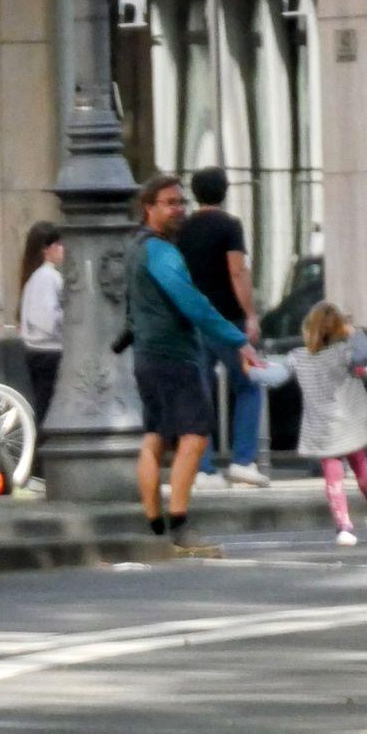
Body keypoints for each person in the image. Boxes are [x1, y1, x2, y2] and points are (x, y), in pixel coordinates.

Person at [125, 173, 258, 540]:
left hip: (147, 353)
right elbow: (192, 302)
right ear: (148, 207)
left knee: (155, 436)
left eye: (181, 202)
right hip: (172, 353)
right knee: (195, 435)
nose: (178, 209)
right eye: (169, 203)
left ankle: (155, 522)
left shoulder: (137, 245)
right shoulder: (161, 251)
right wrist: (237, 338)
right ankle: (180, 522)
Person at [177, 166, 267, 487]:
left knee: (199, 394)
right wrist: (251, 314)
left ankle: (202, 468)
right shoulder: (229, 226)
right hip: (228, 319)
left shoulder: (183, 229)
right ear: (225, 191)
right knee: (248, 385)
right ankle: (242, 461)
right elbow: (237, 272)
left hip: (191, 319)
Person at [282, 303, 367, 546]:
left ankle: (343, 524)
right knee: (363, 470)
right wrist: (353, 331)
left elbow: (275, 375)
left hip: (322, 428)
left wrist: (252, 370)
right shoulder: (343, 353)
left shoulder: (297, 357)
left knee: (333, 477)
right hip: (349, 425)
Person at [18, 221, 64, 427]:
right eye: (59, 244)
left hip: (38, 351)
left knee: (44, 404)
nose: (63, 249)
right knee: (48, 407)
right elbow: (48, 319)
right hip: (49, 351)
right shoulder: (48, 277)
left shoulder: (35, 277)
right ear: (48, 249)